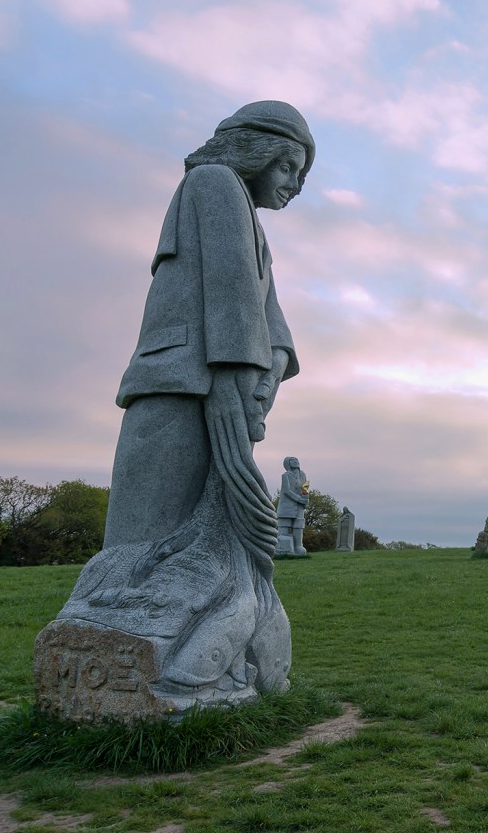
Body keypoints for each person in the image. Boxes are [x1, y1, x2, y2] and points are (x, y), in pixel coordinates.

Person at [53, 101, 314, 710]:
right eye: (288, 167)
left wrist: (273, 363)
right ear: (258, 151)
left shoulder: (246, 214)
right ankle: (125, 664)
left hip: (210, 381)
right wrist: (233, 381)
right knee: (140, 537)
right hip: (180, 385)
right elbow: (229, 289)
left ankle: (189, 669)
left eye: (301, 174)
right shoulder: (214, 182)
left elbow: (266, 311)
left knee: (196, 535)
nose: (294, 185)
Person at [276, 456, 309, 556]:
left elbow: (305, 488)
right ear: (287, 463)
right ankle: (283, 549)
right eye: (292, 460)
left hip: (300, 505)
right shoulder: (285, 475)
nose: (296, 461)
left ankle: (298, 546)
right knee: (284, 525)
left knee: (299, 524)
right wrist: (299, 499)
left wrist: (306, 499)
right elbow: (287, 491)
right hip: (287, 505)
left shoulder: (303, 474)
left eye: (296, 460)